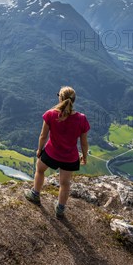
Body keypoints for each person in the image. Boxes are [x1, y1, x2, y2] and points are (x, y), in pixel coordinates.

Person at [24, 86, 89, 218]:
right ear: (74, 100)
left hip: (51, 153)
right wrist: (84, 156)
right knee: (65, 184)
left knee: (40, 169)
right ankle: (60, 209)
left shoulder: (50, 114)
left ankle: (35, 194)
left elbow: (43, 136)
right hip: (70, 157)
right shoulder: (81, 119)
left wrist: (39, 149)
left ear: (60, 98)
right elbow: (83, 142)